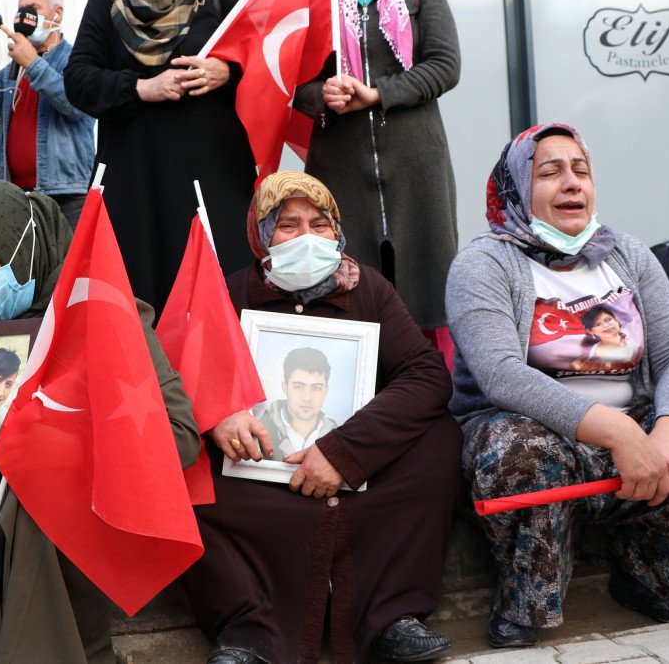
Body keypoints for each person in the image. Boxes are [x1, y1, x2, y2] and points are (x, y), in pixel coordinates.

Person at [447, 123, 669, 647]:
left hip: (635, 425)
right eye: (549, 172)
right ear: (516, 188)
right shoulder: (482, 264)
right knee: (520, 452)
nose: (571, 182)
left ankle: (658, 578)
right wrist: (620, 435)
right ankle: (527, 600)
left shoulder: (629, 254)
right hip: (536, 430)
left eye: (581, 170)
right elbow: (501, 374)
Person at [0, 181, 200, 663]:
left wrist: (59, 449)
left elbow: (180, 435)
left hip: (80, 505)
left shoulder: (98, 306)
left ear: (23, 247)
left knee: (31, 496)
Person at [184, 171, 461, 664]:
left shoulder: (368, 289)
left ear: (338, 231)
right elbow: (185, 377)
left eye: (320, 223)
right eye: (288, 225)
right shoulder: (228, 292)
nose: (307, 237)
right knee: (186, 467)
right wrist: (218, 414)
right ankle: (248, 631)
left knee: (438, 440)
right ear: (262, 235)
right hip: (263, 475)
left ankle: (391, 618)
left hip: (360, 472)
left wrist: (344, 453)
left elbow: (426, 375)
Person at [66, 0, 256, 314]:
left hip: (214, 176)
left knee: (222, 294)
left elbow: (257, 61)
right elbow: (77, 80)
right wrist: (141, 88)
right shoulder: (104, 4)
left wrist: (225, 71)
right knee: (140, 299)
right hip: (136, 180)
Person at [294, 0, 461, 358]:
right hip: (340, 165)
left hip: (416, 163)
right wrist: (322, 94)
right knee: (347, 284)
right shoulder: (317, 2)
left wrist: (377, 94)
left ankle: (432, 386)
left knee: (427, 283)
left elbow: (445, 66)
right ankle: (358, 388)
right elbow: (291, 82)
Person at [0, 0, 95, 228]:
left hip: (67, 195)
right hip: (20, 196)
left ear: (57, 13)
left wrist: (32, 63)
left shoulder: (76, 60)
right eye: (20, 9)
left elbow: (78, 105)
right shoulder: (14, 69)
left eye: (33, 8)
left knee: (70, 255)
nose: (24, 16)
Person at [256, 347, 339, 460]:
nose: (307, 398)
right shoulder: (259, 427)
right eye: (298, 387)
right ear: (285, 388)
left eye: (316, 388)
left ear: (326, 391)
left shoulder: (339, 436)